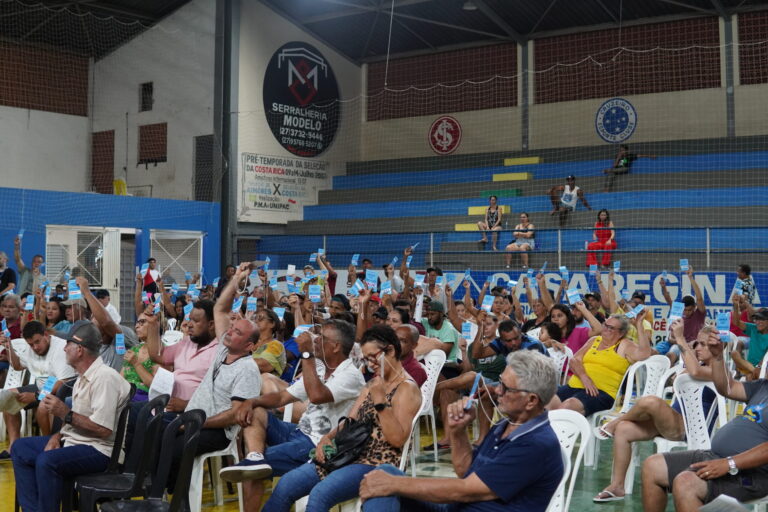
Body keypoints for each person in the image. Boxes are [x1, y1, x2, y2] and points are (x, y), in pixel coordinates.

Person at [359, 350, 564, 512]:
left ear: (531, 401)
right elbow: (465, 471)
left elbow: (466, 491)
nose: (497, 390)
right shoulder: (506, 425)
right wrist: (457, 431)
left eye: (506, 388)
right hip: (459, 507)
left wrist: (394, 484)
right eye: (500, 382)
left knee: (387, 483)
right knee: (384, 473)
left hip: (467, 504)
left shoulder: (535, 444)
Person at [261, 325, 422, 511]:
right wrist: (328, 437)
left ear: (391, 350)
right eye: (366, 359)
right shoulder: (373, 383)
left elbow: (397, 439)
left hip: (375, 462)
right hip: (347, 451)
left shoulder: (406, 388)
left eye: (373, 357)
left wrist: (380, 402)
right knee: (287, 484)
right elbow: (350, 420)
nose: (370, 364)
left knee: (319, 495)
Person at [218, 319, 365, 512]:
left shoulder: (350, 375)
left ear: (336, 346)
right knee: (256, 411)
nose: (316, 340)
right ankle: (254, 457)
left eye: (321, 337)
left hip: (317, 443)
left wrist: (306, 354)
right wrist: (252, 401)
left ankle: (257, 462)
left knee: (256, 471)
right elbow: (282, 397)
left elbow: (317, 396)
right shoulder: (321, 369)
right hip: (297, 431)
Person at [11, 322, 131, 512]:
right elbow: (75, 421)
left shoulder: (105, 378)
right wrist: (57, 436)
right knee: (20, 448)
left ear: (80, 350)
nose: (64, 348)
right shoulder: (81, 377)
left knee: (47, 461)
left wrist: (65, 414)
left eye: (68, 345)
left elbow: (103, 429)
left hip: (100, 450)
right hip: (76, 441)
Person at [642, 330, 768, 510]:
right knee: (652, 466)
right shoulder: (762, 387)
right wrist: (717, 358)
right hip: (717, 456)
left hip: (754, 472)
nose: (763, 365)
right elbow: (728, 388)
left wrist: (729, 463)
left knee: (686, 483)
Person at [593, 321, 716, 502]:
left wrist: (681, 339)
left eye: (703, 344)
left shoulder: (718, 369)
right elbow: (678, 380)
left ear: (717, 347)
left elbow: (696, 372)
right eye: (697, 343)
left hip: (690, 429)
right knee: (624, 429)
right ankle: (617, 486)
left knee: (650, 401)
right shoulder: (692, 366)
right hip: (671, 421)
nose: (698, 348)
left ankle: (615, 421)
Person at [167, 268, 262, 490]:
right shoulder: (222, 351)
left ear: (249, 346)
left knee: (176, 444)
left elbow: (235, 415)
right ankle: (155, 486)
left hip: (217, 431)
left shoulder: (247, 370)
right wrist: (236, 279)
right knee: (152, 429)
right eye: (232, 328)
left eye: (238, 333)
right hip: (196, 418)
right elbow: (220, 308)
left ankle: (174, 497)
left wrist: (197, 422)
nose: (230, 332)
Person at [0, 321, 77, 458]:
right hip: (41, 385)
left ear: (46, 335)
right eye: (31, 344)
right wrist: (9, 347)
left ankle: (47, 443)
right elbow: (18, 366)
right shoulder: (30, 348)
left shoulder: (60, 348)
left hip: (61, 387)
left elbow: (62, 382)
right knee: (9, 398)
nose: (35, 347)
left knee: (43, 405)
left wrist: (36, 396)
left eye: (37, 342)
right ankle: (13, 446)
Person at [549, 313, 652, 416]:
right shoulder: (594, 340)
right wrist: (584, 377)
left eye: (611, 328)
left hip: (600, 392)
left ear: (621, 333)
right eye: (605, 325)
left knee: (567, 407)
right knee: (545, 403)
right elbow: (574, 360)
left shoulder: (624, 345)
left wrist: (639, 324)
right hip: (574, 385)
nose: (605, 329)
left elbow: (644, 353)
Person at [660, 265, 707, 360]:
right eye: (685, 310)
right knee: (670, 355)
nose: (687, 312)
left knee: (692, 356)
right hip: (681, 344)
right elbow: (668, 299)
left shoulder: (699, 314)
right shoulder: (678, 314)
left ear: (694, 307)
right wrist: (663, 287)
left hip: (695, 345)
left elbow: (699, 298)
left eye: (690, 310)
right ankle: (669, 375)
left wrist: (690, 277)